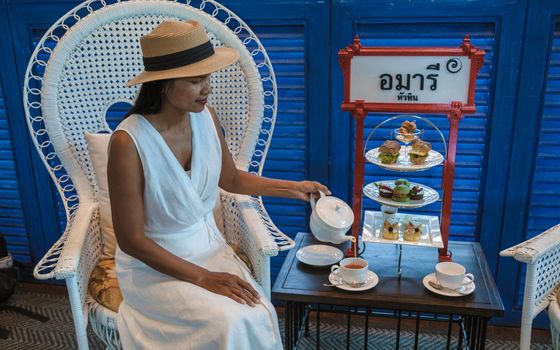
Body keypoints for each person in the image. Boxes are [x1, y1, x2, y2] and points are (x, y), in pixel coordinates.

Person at [107, 20, 330, 349]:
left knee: (257, 312)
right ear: (163, 83)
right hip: (153, 268)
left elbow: (231, 178)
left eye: (207, 77)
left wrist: (293, 188)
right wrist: (204, 278)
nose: (207, 88)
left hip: (209, 249)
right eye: (196, 80)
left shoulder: (206, 116)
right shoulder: (128, 142)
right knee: (232, 320)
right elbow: (131, 240)